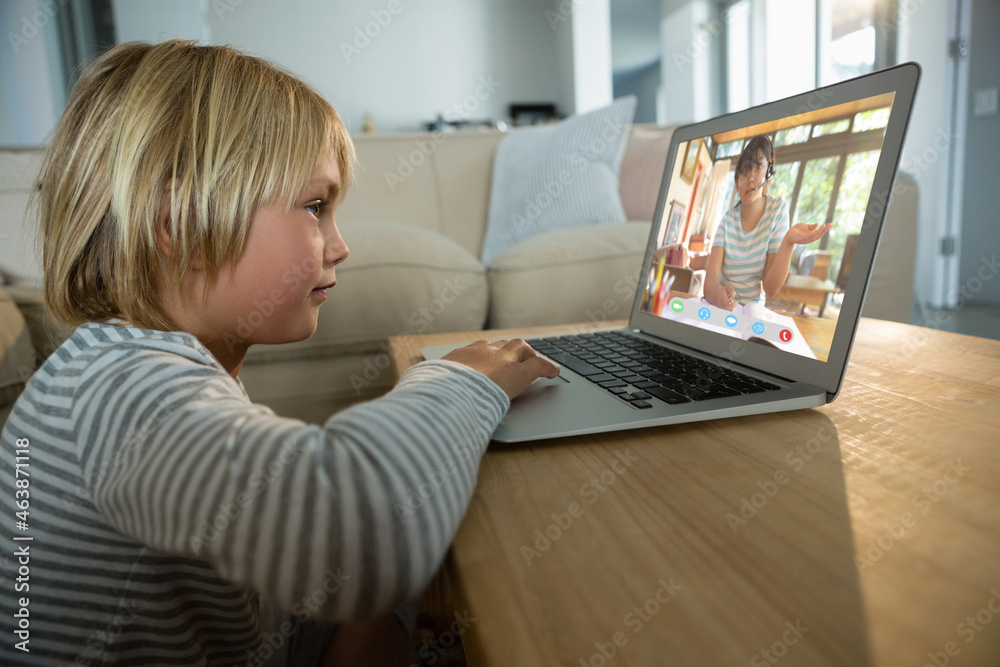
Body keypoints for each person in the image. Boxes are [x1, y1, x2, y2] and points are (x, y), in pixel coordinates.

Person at [0, 40, 558, 666]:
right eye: (316, 207)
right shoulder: (121, 388)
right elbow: (360, 537)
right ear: (180, 222)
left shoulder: (126, 364)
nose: (339, 245)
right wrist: (459, 381)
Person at [704, 135, 831, 311]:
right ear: (736, 182)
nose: (750, 177)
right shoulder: (727, 220)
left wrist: (788, 241)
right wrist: (719, 296)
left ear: (769, 174)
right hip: (720, 307)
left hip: (750, 311)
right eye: (745, 170)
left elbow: (771, 289)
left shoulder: (778, 210)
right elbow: (710, 280)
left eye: (758, 168)